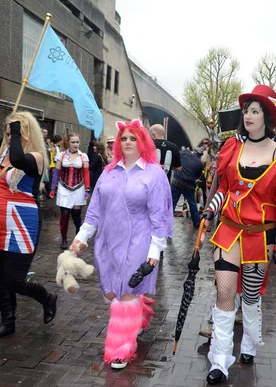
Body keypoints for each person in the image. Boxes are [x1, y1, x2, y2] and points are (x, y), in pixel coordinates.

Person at [201, 84, 276, 385]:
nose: (248, 115)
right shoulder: (232, 148)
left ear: (268, 116)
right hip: (230, 232)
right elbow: (224, 189)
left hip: (261, 237)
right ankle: (219, 359)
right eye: (247, 110)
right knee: (224, 293)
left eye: (256, 111)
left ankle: (248, 344)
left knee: (251, 295)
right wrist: (210, 211)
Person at [70, 119, 173, 369]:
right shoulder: (108, 172)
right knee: (111, 292)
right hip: (108, 241)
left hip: (139, 241)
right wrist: (82, 237)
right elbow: (94, 209)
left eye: (133, 138)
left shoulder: (154, 174)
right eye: (123, 138)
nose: (127, 142)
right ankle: (139, 311)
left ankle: (120, 349)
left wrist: (154, 250)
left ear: (143, 142)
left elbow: (159, 215)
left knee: (124, 293)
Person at [0, 112, 57, 336]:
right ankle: (8, 320)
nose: (9, 135)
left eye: (13, 131)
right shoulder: (3, 153)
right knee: (1, 277)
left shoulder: (36, 157)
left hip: (21, 222)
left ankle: (46, 297)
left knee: (15, 279)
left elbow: (17, 160)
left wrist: (15, 132)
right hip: (1, 220)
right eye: (6, 130)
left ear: (25, 132)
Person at [50, 133, 90, 250]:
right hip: (63, 187)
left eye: (77, 142)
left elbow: (86, 174)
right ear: (68, 143)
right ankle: (64, 239)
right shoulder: (61, 156)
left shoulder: (83, 156)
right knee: (65, 214)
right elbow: (56, 173)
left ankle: (78, 239)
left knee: (77, 216)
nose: (76, 144)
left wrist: (87, 189)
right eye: (73, 142)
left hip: (79, 187)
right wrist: (52, 188)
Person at [171, 147, 204, 228]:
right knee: (192, 203)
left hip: (176, 181)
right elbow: (197, 176)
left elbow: (176, 158)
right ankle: (196, 223)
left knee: (172, 203)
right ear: (200, 155)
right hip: (189, 185)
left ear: (194, 151)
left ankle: (166, 223)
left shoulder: (184, 154)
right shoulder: (200, 164)